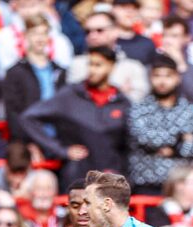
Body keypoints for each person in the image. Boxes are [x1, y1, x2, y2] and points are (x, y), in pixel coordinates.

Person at [20, 45, 129, 190]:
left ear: (111, 66)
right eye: (90, 64)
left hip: (111, 181)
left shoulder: (122, 102)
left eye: (98, 65)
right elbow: (29, 118)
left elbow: (128, 144)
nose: (92, 70)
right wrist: (60, 150)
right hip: (77, 178)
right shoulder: (70, 96)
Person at [127, 53, 193, 194]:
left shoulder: (190, 110)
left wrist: (176, 148)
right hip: (148, 185)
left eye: (168, 76)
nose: (162, 81)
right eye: (157, 76)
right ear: (150, 78)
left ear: (177, 78)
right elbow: (144, 137)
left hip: (183, 187)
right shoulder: (139, 108)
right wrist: (182, 138)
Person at [2, 14, 67, 144]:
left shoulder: (60, 71)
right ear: (25, 35)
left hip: (57, 140)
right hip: (28, 141)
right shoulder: (14, 72)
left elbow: (65, 109)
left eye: (44, 33)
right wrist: (29, 144)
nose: (40, 38)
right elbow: (13, 114)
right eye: (35, 33)